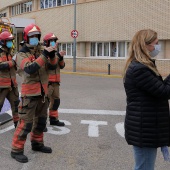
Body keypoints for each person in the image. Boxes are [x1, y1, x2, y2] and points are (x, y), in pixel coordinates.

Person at [123, 29, 170, 170]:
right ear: (145, 45)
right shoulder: (139, 69)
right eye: (156, 43)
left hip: (146, 126)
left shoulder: (142, 65)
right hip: (144, 128)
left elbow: (159, 88)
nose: (157, 47)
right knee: (144, 167)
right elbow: (164, 92)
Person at [10, 23, 58, 163]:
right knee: (25, 124)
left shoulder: (39, 52)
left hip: (43, 95)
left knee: (41, 122)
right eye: (32, 36)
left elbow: (52, 66)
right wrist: (44, 55)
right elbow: (30, 69)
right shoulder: (21, 54)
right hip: (29, 96)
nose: (35, 39)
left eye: (37, 36)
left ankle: (37, 144)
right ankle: (16, 150)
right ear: (26, 37)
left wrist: (52, 54)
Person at [43, 33, 66, 129]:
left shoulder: (55, 53)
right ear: (47, 42)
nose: (54, 43)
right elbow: (49, 65)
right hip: (48, 83)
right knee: (45, 104)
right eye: (52, 41)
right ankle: (42, 123)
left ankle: (53, 119)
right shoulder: (45, 53)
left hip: (56, 83)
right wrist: (56, 56)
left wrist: (60, 57)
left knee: (56, 102)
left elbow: (62, 66)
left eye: (54, 41)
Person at [0, 31, 19, 128]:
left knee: (16, 105)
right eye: (9, 41)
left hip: (12, 85)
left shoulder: (11, 53)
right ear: (3, 42)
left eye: (11, 41)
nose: (11, 43)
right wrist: (12, 62)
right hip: (2, 86)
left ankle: (17, 124)